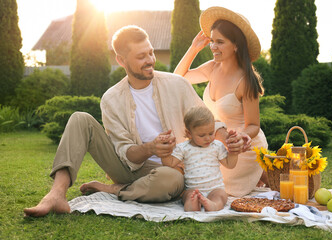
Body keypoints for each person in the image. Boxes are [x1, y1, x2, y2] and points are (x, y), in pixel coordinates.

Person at [23, 25, 242, 217]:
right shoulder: (111, 98)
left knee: (171, 180)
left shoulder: (177, 84)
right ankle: (56, 195)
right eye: (141, 56)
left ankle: (113, 190)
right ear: (121, 60)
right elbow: (125, 152)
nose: (150, 60)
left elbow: (208, 120)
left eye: (151, 53)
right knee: (80, 119)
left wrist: (229, 139)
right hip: (128, 166)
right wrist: (151, 148)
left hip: (171, 171)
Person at [174, 6, 268, 197]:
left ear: (236, 46)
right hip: (214, 142)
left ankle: (260, 174)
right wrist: (193, 48)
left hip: (241, 148)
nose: (213, 47)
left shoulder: (246, 80)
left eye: (220, 42)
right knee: (197, 181)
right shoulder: (212, 68)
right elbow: (178, 78)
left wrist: (238, 138)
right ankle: (264, 178)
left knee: (213, 188)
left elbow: (254, 125)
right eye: (212, 41)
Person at [161, 106, 239, 212]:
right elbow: (170, 163)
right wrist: (164, 154)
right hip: (193, 189)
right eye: (202, 135)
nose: (208, 138)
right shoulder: (183, 148)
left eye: (211, 133)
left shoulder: (217, 146)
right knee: (187, 195)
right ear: (189, 133)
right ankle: (192, 205)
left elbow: (230, 164)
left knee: (221, 195)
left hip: (214, 188)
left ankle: (214, 205)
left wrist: (233, 153)